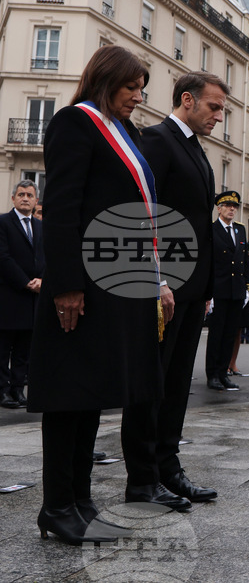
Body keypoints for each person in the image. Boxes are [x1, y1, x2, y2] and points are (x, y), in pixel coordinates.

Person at [28, 45, 163, 544]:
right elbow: (62, 207)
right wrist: (66, 284)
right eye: (130, 87)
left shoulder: (124, 134)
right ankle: (56, 506)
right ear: (106, 81)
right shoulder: (74, 123)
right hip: (79, 284)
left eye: (141, 88)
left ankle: (80, 503)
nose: (137, 96)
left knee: (89, 397)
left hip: (114, 286)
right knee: (68, 398)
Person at [121, 71, 227, 513]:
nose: (219, 116)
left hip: (191, 290)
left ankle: (169, 469)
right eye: (214, 107)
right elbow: (145, 216)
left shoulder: (196, 149)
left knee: (178, 382)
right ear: (187, 99)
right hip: (163, 288)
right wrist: (158, 279)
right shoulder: (157, 140)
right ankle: (142, 480)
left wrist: (204, 288)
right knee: (153, 382)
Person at [0, 181, 44, 409]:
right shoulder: (3, 222)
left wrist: (42, 279)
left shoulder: (40, 227)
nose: (25, 198)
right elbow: (3, 258)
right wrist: (26, 282)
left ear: (36, 200)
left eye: (30, 195)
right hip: (10, 296)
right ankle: (2, 391)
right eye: (21, 194)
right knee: (3, 347)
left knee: (23, 349)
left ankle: (18, 389)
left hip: (33, 298)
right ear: (13, 198)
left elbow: (47, 257)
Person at [204, 191, 249, 391]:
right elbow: (207, 263)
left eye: (235, 206)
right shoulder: (211, 230)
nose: (232, 209)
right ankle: (213, 374)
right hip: (219, 290)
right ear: (219, 208)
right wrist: (209, 294)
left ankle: (224, 373)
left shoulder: (240, 230)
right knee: (216, 335)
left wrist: (246, 288)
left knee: (230, 334)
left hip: (236, 291)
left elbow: (244, 261)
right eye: (228, 205)